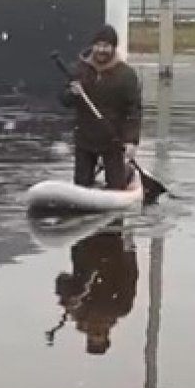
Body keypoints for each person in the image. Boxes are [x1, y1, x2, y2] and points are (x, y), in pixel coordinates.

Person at [60, 24, 142, 190]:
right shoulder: (80, 70)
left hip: (113, 139)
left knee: (116, 186)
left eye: (106, 46)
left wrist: (131, 141)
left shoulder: (126, 75)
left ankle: (127, 174)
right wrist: (72, 93)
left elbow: (134, 110)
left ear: (113, 48)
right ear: (93, 46)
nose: (101, 50)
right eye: (98, 45)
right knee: (81, 185)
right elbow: (64, 101)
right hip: (85, 139)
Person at [53, 222, 139, 356]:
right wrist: (129, 249)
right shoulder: (120, 308)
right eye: (99, 332)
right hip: (112, 244)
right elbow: (131, 274)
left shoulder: (78, 310)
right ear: (107, 333)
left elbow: (62, 279)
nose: (97, 327)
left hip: (85, 242)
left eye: (94, 333)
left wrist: (66, 298)